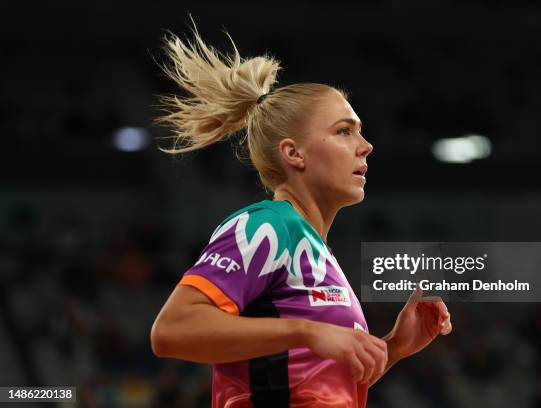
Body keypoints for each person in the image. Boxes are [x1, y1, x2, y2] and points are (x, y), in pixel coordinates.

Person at [150, 24, 452, 408]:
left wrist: (394, 347)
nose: (367, 146)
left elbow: (310, 386)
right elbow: (172, 330)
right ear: (294, 154)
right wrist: (306, 331)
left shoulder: (317, 251)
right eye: (345, 131)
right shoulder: (269, 226)